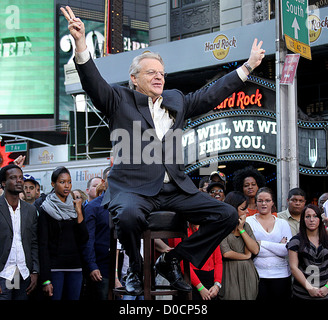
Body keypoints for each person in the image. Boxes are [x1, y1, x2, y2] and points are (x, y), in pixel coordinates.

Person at [61, 4, 265, 296]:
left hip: (175, 189)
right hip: (134, 188)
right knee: (129, 216)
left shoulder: (177, 100)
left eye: (162, 73)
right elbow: (92, 83)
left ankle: (171, 261)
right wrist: (81, 44)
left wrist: (247, 67)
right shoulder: (119, 100)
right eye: (151, 73)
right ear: (134, 78)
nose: (159, 78)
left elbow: (210, 95)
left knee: (227, 215)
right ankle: (134, 264)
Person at [38, 166, 89, 300]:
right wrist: (46, 279)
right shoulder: (45, 209)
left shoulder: (76, 206)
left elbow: (84, 238)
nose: (67, 186)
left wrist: (78, 212)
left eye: (69, 182)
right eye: (62, 182)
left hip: (75, 266)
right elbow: (43, 245)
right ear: (53, 184)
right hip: (55, 268)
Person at [0, 164, 39, 300]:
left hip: (21, 272)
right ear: (3, 183)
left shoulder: (30, 210)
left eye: (21, 178)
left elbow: (33, 242)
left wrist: (34, 271)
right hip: (3, 273)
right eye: (13, 178)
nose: (19, 181)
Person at [246, 187, 292, 300]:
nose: (263, 203)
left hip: (282, 275)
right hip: (258, 275)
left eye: (267, 200)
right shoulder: (249, 222)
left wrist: (260, 243)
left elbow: (286, 250)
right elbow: (252, 250)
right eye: (260, 201)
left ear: (272, 203)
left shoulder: (282, 223)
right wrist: (277, 245)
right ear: (256, 202)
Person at [219, 191, 259, 300]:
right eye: (242, 209)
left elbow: (255, 249)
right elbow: (226, 253)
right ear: (232, 208)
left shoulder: (246, 226)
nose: (247, 211)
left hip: (248, 272)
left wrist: (241, 230)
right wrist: (246, 256)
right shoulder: (221, 226)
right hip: (229, 272)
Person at [81, 167, 111, 300]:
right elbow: (88, 239)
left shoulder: (125, 205)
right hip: (100, 269)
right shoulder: (93, 207)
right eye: (111, 178)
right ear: (104, 182)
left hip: (122, 269)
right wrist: (92, 265)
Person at [287, 204, 328, 300]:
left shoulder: (326, 239)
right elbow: (293, 268)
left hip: (325, 292)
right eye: (307, 216)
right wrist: (310, 288)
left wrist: (326, 287)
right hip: (302, 294)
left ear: (319, 219)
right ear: (303, 219)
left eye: (315, 216)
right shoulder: (295, 241)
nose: (311, 220)